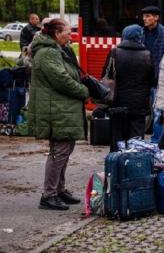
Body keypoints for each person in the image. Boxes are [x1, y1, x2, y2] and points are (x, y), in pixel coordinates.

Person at [27, 19, 89, 210]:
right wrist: (83, 91)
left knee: (64, 150)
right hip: (56, 109)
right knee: (59, 152)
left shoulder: (57, 50)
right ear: (56, 33)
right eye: (67, 33)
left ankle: (58, 189)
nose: (70, 36)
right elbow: (61, 79)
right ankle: (49, 194)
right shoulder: (48, 53)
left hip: (61, 108)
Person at [102, 24, 154, 147]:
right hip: (139, 104)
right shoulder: (147, 55)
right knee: (136, 139)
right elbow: (152, 79)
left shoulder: (115, 52)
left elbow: (106, 74)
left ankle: (117, 162)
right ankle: (134, 164)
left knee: (117, 136)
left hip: (117, 101)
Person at [141, 5, 164, 143]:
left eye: (148, 16)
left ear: (156, 17)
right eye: (144, 16)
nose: (144, 19)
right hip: (143, 78)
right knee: (143, 109)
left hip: (158, 79)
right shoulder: (141, 32)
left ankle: (157, 141)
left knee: (158, 111)